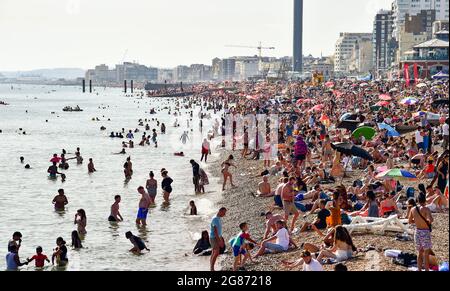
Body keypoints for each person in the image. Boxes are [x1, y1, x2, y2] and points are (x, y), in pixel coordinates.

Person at [408, 193, 433, 271]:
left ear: (417, 200)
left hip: (417, 231)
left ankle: (419, 269)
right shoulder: (426, 209)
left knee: (419, 253)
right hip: (425, 232)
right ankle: (426, 270)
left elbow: (409, 221)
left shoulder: (413, 209)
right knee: (426, 254)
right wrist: (427, 221)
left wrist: (417, 221)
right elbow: (431, 220)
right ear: (425, 200)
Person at [210, 207, 227, 271]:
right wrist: (219, 241)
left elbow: (219, 230)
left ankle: (211, 267)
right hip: (214, 237)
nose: (224, 214)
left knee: (214, 251)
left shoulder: (219, 218)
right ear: (220, 211)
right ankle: (212, 268)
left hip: (217, 237)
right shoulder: (215, 219)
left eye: (225, 213)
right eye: (224, 212)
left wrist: (221, 238)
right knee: (216, 252)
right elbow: (215, 231)